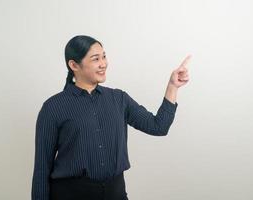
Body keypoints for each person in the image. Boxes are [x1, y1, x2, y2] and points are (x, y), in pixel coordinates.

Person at [31, 35, 191, 200]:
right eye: (95, 59)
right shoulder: (53, 107)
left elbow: (158, 127)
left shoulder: (119, 99)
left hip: (115, 193)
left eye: (104, 56)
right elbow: (42, 169)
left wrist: (172, 87)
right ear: (74, 65)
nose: (103, 64)